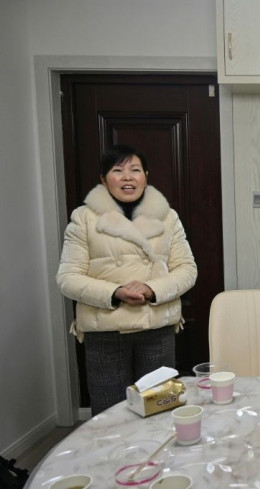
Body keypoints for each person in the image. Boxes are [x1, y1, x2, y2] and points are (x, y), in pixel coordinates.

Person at [57, 145, 197, 415]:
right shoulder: (83, 218)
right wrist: (116, 291)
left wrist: (150, 288)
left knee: (161, 408)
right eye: (117, 170)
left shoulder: (168, 217)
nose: (127, 177)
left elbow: (187, 269)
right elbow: (67, 278)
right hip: (105, 332)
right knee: (109, 414)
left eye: (135, 170)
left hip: (157, 327)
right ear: (103, 179)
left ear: (145, 175)